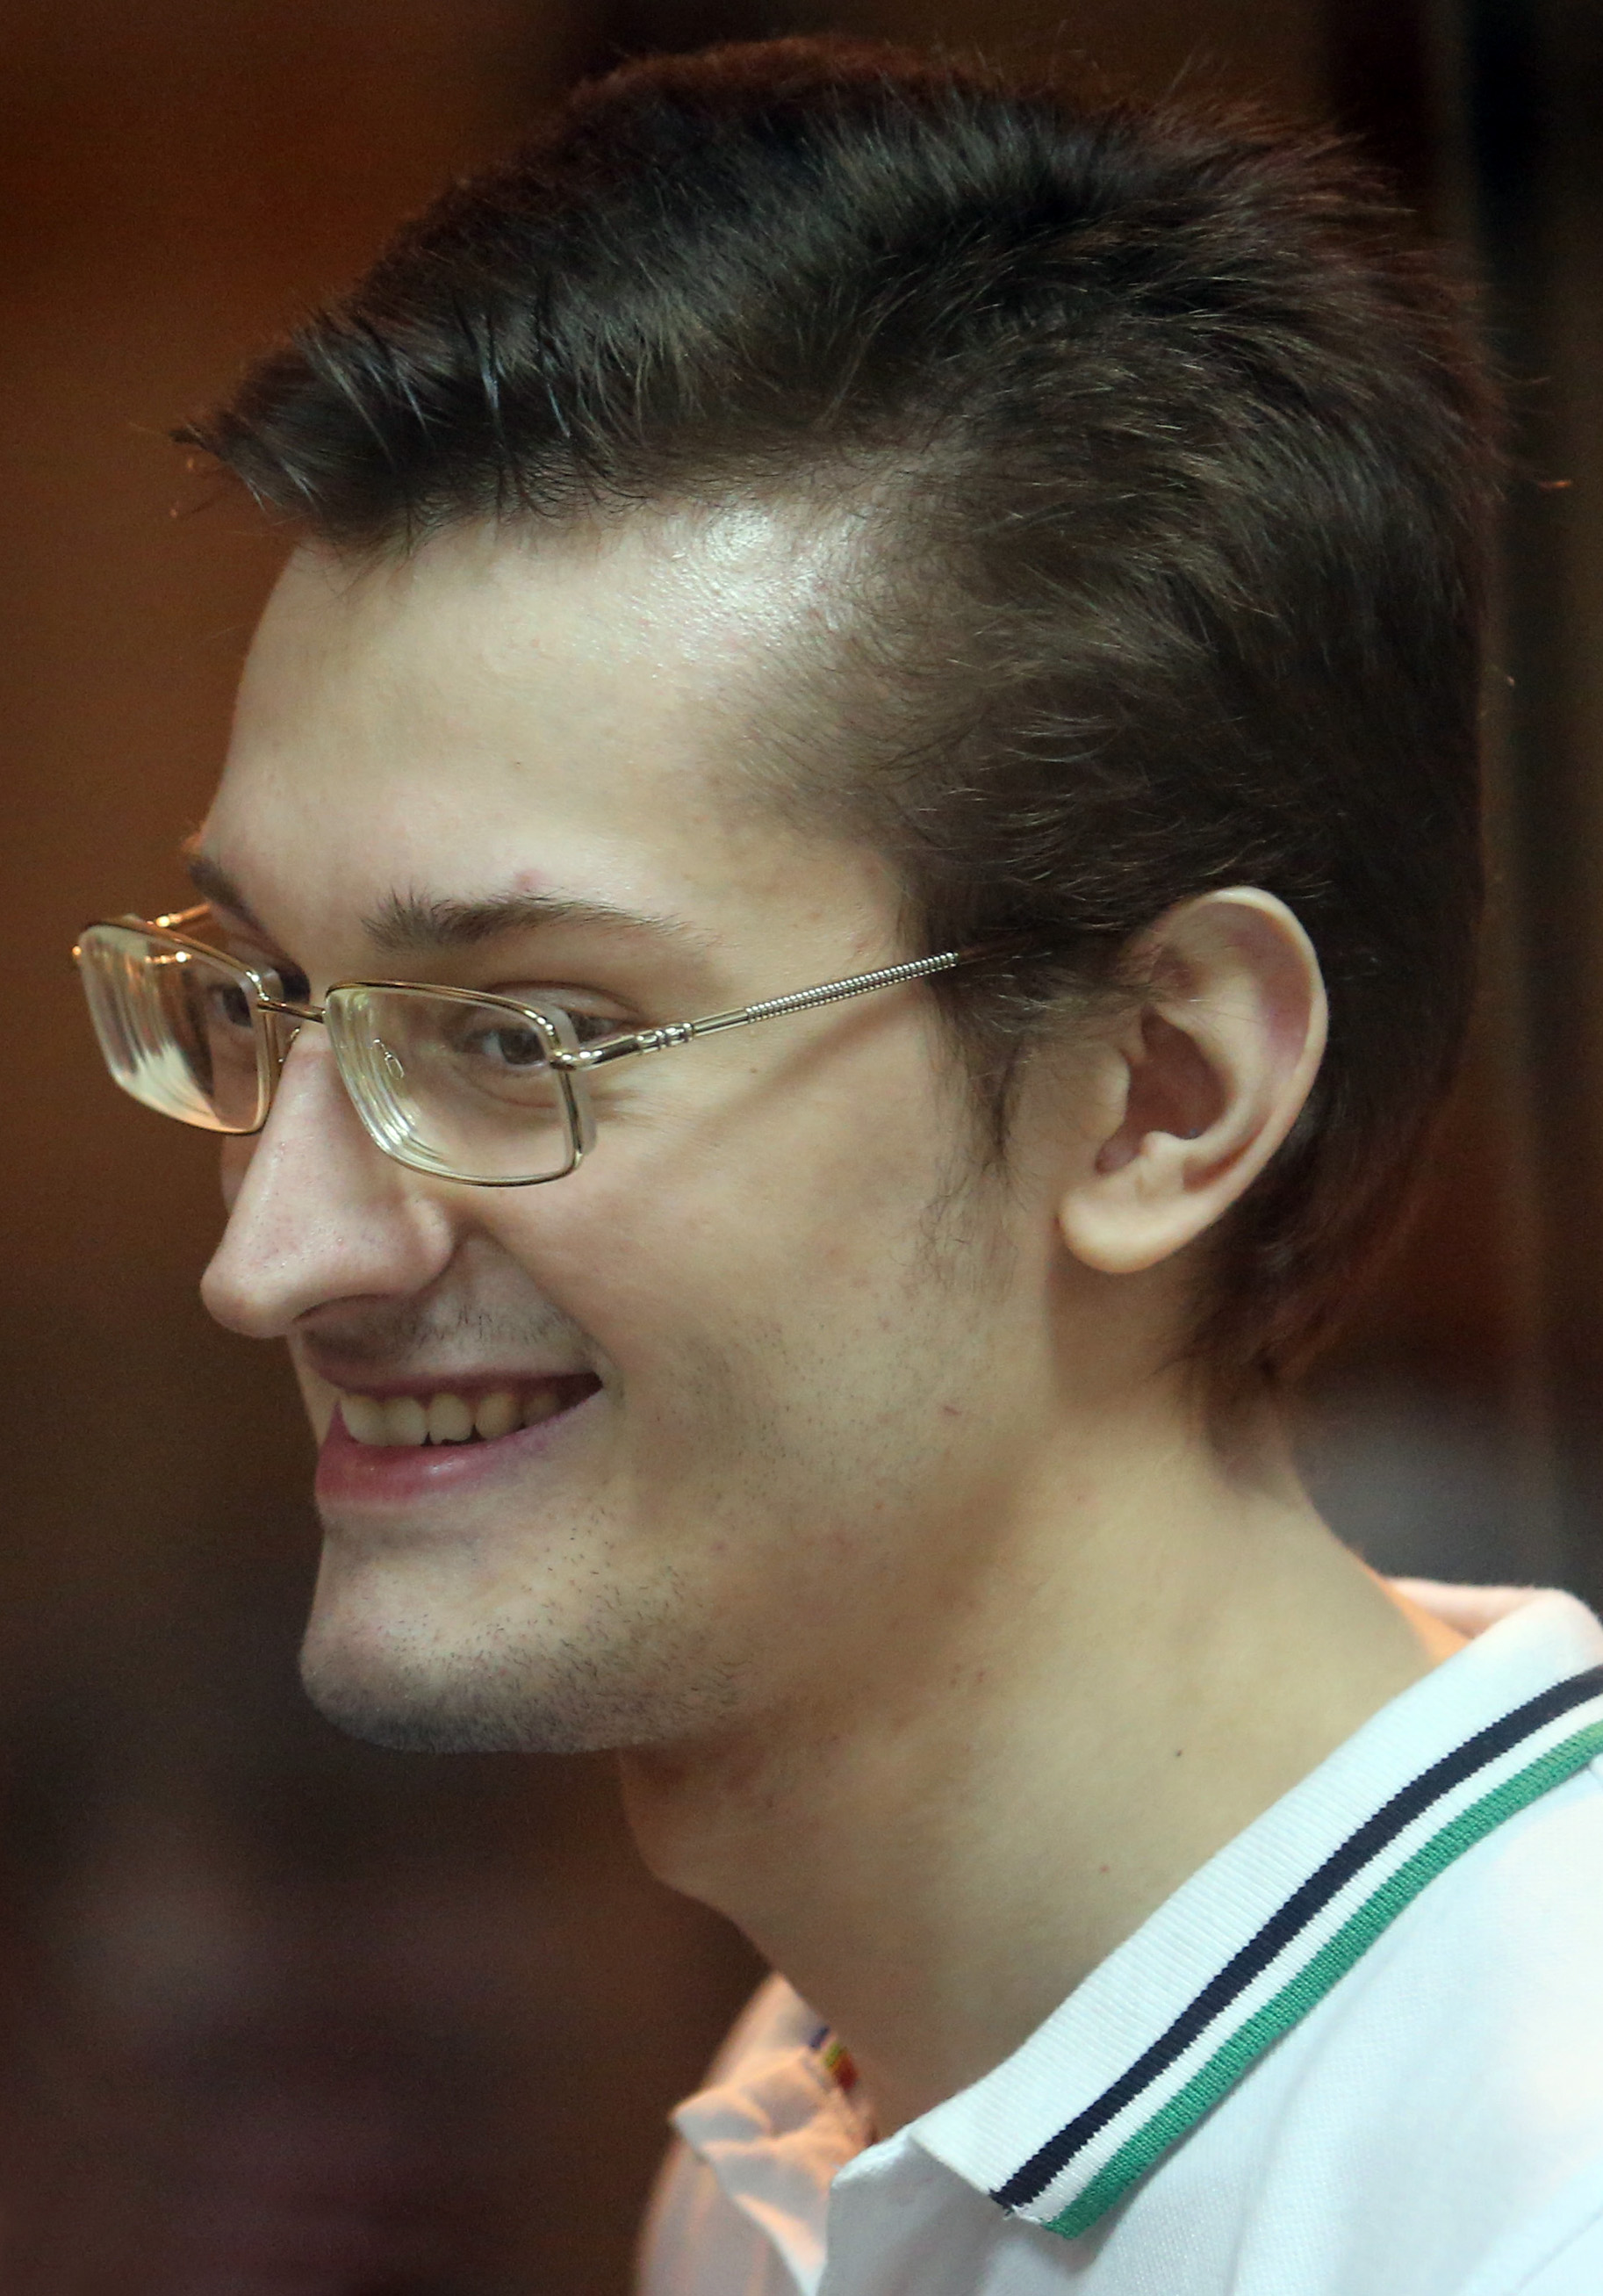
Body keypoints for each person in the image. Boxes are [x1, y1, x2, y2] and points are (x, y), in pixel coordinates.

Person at [73, 40, 1603, 2295]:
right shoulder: (820, 2110)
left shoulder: (1526, 2192)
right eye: (270, 996)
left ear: (1159, 1090)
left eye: (518, 1036)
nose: (272, 1254)